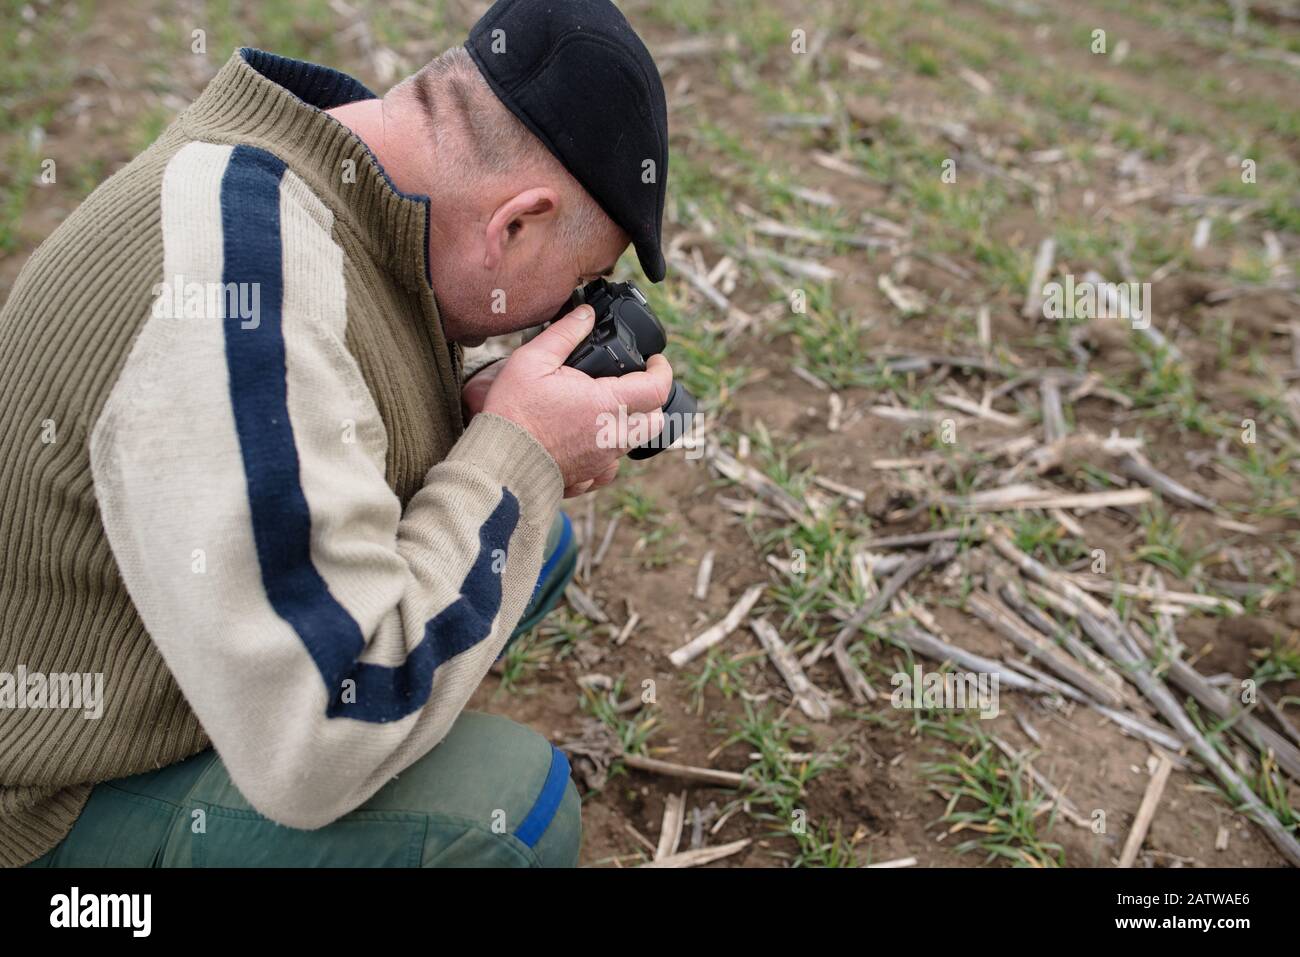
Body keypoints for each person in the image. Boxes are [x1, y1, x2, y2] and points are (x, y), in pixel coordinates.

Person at [0, 0, 671, 867]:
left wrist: (491, 428)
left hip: (157, 656)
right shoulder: (239, 295)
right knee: (508, 810)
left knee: (530, 548)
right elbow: (315, 741)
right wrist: (521, 449)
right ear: (514, 224)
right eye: (583, 279)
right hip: (50, 798)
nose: (570, 312)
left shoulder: (321, 175)